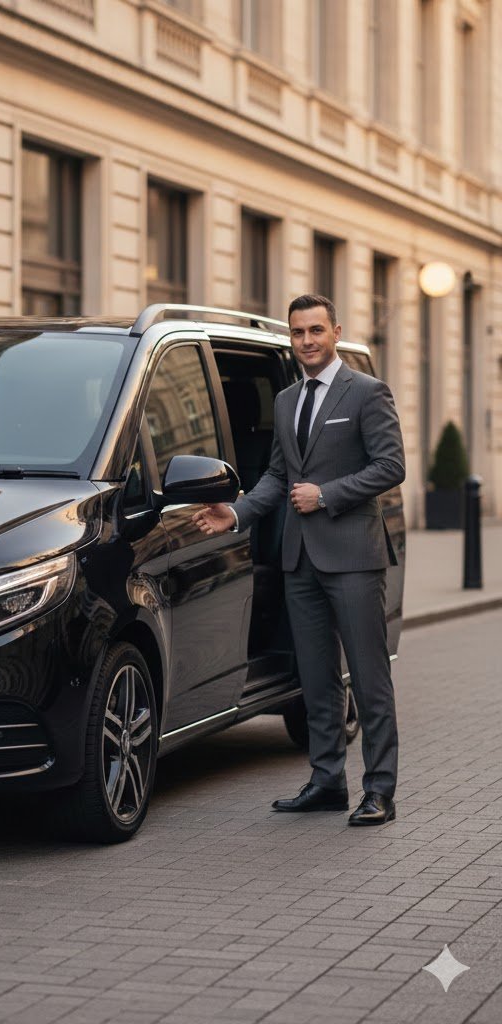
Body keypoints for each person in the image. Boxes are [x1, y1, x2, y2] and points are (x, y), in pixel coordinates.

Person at [193, 294, 405, 825]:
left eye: (315, 330)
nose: (306, 341)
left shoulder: (366, 392)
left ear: (335, 331)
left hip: (354, 557)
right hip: (299, 561)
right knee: (316, 679)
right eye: (297, 333)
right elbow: (277, 478)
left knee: (368, 678)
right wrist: (236, 515)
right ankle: (327, 781)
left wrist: (327, 494)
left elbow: (390, 465)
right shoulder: (287, 400)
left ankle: (379, 790)